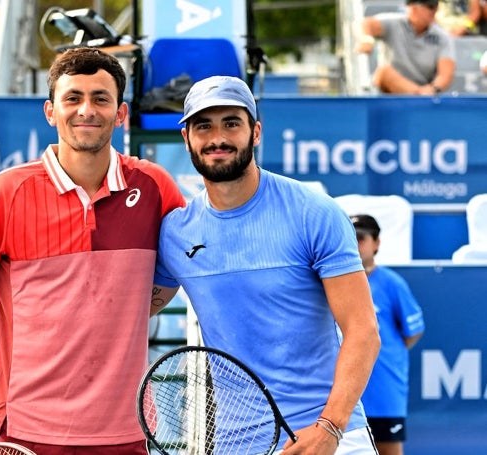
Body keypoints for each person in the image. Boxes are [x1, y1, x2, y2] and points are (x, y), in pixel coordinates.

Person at [0, 47, 185, 455]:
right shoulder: (2, 194)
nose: (86, 110)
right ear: (50, 111)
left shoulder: (155, 187)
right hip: (24, 430)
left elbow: (181, 271)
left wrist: (124, 311)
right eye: (72, 98)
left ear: (121, 113)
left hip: (127, 431)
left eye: (100, 98)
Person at [152, 75, 381, 455]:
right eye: (203, 126)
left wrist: (330, 427)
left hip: (328, 436)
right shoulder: (175, 233)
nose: (217, 138)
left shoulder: (314, 212)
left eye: (231, 123)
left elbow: (363, 330)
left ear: (255, 132)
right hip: (236, 444)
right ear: (187, 139)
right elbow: (133, 311)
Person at [351, 214, 425, 455]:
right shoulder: (334, 281)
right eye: (350, 237)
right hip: (346, 391)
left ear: (376, 243)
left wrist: (383, 354)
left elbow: (412, 332)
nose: (355, 243)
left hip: (383, 389)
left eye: (361, 238)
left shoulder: (392, 283)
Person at [355, 0, 456, 95]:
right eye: (430, 6)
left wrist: (434, 88)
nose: (434, 11)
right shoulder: (394, 23)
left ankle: (417, 96)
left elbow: (445, 73)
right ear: (413, 7)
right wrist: (365, 39)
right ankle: (417, 95)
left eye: (436, 6)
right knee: (383, 73)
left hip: (426, 89)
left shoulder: (442, 36)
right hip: (390, 91)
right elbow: (365, 24)